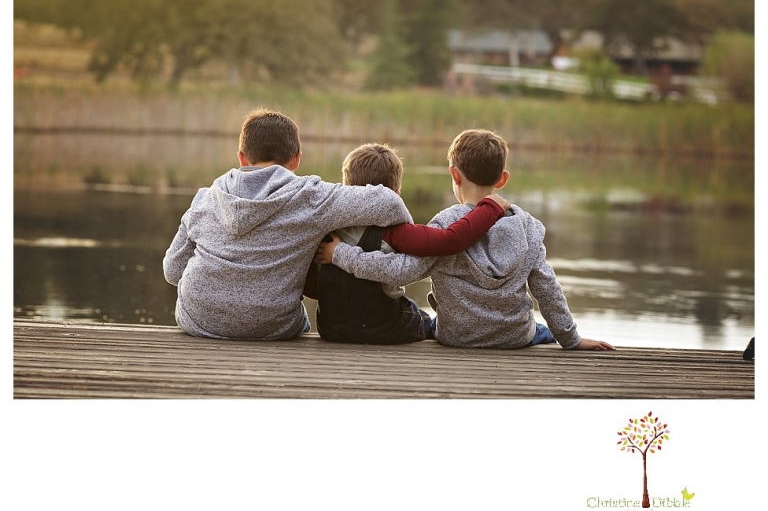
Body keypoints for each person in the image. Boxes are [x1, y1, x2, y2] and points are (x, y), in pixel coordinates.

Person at [316, 129, 615, 351]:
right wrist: (571, 338)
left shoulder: (445, 223)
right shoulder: (528, 227)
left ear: (454, 175)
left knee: (421, 319)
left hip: (456, 336)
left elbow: (402, 270)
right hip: (515, 337)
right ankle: (545, 332)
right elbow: (546, 287)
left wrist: (342, 254)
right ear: (503, 179)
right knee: (538, 329)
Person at [163, 107, 422, 341]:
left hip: (197, 321)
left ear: (242, 158)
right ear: (296, 159)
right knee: (306, 323)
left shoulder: (204, 198)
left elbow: (173, 271)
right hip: (273, 327)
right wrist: (403, 239)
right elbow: (388, 202)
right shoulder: (309, 197)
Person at [304, 142, 510, 345]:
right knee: (423, 319)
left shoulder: (327, 231)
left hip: (331, 328)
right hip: (385, 329)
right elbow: (450, 240)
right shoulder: (397, 233)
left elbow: (312, 286)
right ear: (396, 194)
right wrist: (490, 207)